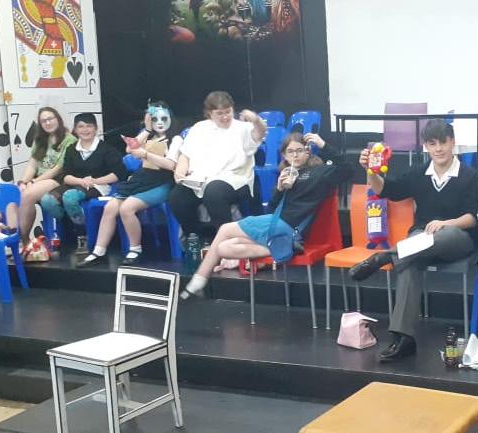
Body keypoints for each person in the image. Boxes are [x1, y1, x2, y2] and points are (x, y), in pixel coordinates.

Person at [349, 119, 478, 362]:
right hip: (419, 240)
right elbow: (385, 190)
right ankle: (404, 338)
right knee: (409, 263)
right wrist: (371, 171)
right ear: (426, 147)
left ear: (453, 142)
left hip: (456, 238)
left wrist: (446, 223)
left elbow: (473, 218)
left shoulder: (469, 176)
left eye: (443, 142)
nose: (439, 149)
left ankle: (384, 256)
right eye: (433, 144)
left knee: (443, 235)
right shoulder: (420, 173)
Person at [181, 132, 350, 298]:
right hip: (277, 228)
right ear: (284, 155)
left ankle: (199, 279)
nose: (295, 155)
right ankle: (281, 248)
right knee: (223, 248)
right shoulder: (286, 174)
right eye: (290, 151)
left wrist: (323, 144)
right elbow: (271, 212)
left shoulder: (319, 173)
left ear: (307, 152)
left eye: (299, 150)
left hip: (289, 227)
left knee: (225, 229)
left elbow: (347, 169)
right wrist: (280, 189)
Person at [79, 102, 182, 267]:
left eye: (163, 118)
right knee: (110, 208)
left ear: (170, 118)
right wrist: (146, 129)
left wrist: (146, 154)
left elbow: (171, 165)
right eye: (154, 119)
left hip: (162, 181)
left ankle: (135, 249)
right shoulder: (148, 135)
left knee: (127, 208)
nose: (159, 122)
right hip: (142, 178)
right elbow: (129, 149)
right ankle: (99, 251)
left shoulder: (176, 139)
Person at [168, 91, 266, 249]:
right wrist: (180, 170)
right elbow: (185, 155)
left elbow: (260, 133)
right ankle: (196, 238)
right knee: (177, 197)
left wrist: (255, 119)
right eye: (219, 113)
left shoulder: (242, 128)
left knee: (214, 192)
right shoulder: (199, 128)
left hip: (235, 178)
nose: (225, 117)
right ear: (209, 113)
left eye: (228, 112)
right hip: (201, 178)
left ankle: (227, 242)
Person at [38, 112, 125, 256]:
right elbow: (66, 176)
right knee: (47, 200)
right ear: (75, 129)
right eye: (81, 126)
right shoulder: (71, 149)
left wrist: (94, 181)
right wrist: (81, 181)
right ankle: (70, 225)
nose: (85, 130)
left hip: (99, 186)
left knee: (70, 197)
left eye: (89, 126)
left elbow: (118, 174)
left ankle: (83, 234)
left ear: (96, 128)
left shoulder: (107, 150)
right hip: (75, 183)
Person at [17, 107, 77, 246]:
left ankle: (23, 239)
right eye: (43, 121)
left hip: (58, 180)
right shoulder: (40, 140)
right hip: (38, 179)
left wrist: (34, 182)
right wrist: (23, 182)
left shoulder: (70, 140)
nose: (48, 123)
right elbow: (32, 164)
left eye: (50, 119)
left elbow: (58, 168)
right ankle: (13, 235)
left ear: (58, 119)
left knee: (28, 195)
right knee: (15, 194)